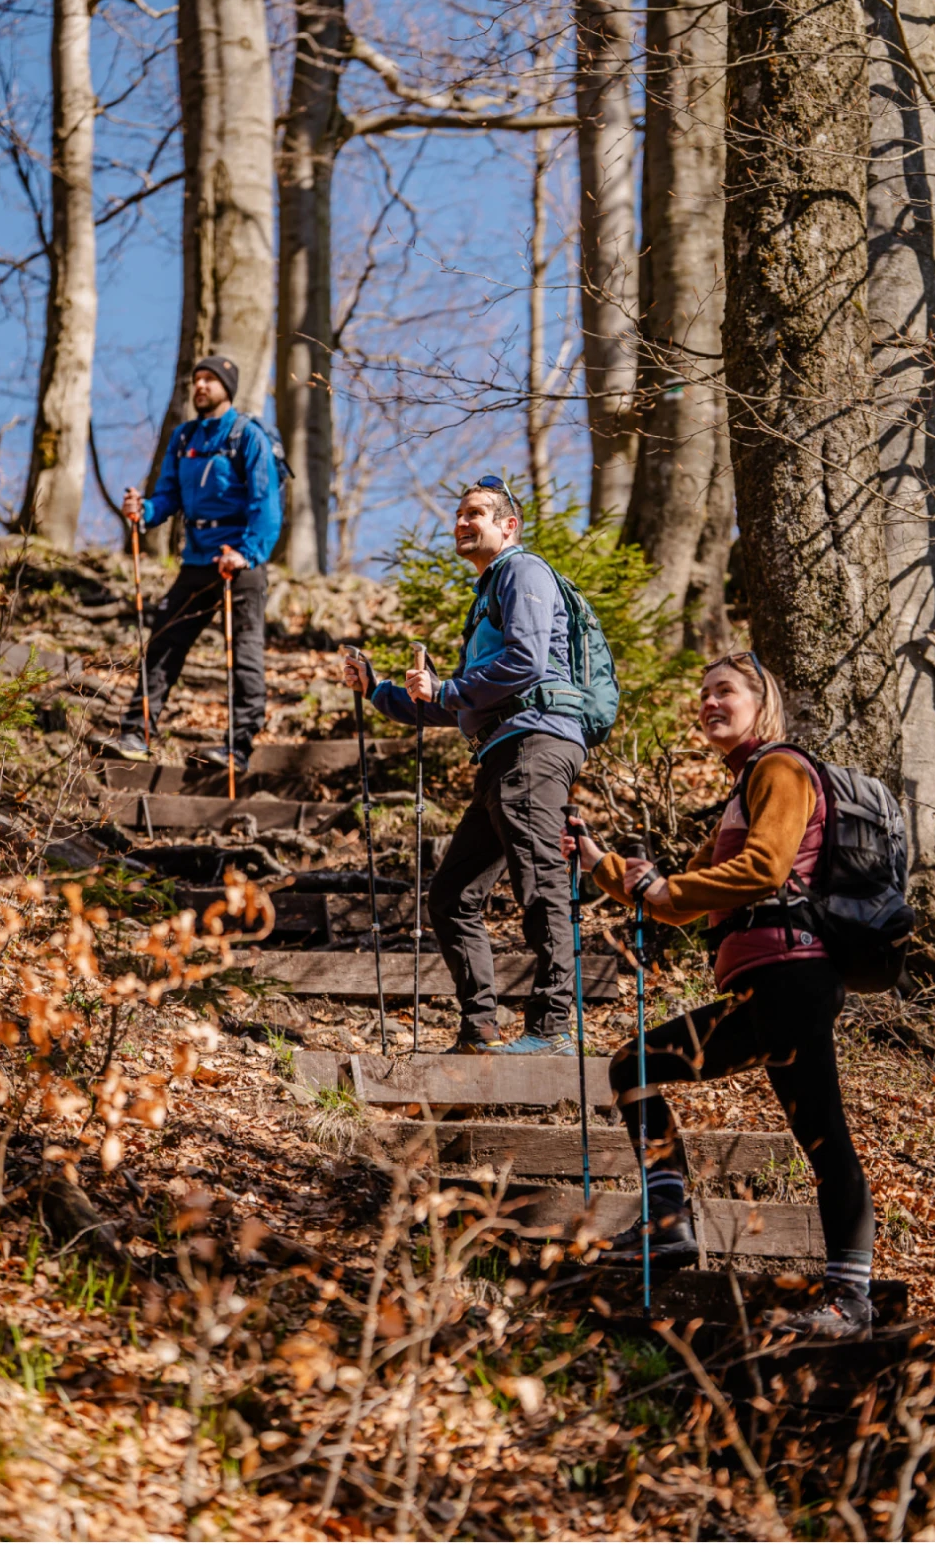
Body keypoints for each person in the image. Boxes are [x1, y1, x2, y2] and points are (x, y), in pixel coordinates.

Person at [561, 653, 878, 1337]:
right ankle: (669, 1223)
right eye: (703, 694)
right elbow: (675, 901)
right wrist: (599, 863)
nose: (709, 703)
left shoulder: (781, 769)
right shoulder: (742, 792)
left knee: (824, 1135)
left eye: (724, 691)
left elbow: (764, 867)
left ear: (761, 703)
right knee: (636, 1066)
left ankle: (851, 1299)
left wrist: (663, 887)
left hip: (794, 979)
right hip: (763, 990)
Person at [341, 478, 585, 1056]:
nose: (461, 523)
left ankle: (553, 1029)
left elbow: (526, 662)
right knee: (452, 896)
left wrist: (448, 688)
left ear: (509, 525)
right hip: (503, 752)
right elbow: (456, 703)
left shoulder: (523, 572)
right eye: (458, 514)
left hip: (535, 744)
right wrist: (377, 689)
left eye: (475, 513)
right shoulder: (488, 594)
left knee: (539, 880)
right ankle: (481, 1030)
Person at [97, 355, 281, 768]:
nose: (200, 386)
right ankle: (137, 733)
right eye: (197, 379)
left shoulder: (248, 436)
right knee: (164, 641)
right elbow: (168, 496)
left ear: (227, 389)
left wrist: (246, 553)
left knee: (244, 652)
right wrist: (144, 510)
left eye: (210, 380)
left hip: (239, 562)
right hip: (197, 559)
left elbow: (266, 505)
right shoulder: (184, 438)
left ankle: (238, 746)